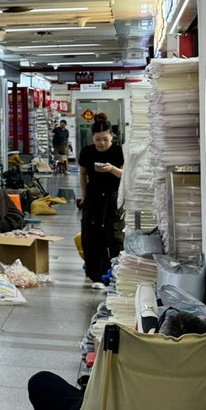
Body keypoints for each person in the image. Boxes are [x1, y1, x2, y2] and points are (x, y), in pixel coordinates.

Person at [78, 116, 124, 287]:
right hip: (93, 198)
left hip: (113, 198)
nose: (101, 143)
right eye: (98, 139)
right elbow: (83, 174)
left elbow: (124, 175)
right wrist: (84, 196)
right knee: (91, 236)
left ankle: (115, 273)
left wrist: (111, 169)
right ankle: (94, 273)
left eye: (105, 139)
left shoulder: (119, 152)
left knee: (114, 237)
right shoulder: (87, 152)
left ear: (112, 136)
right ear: (92, 138)